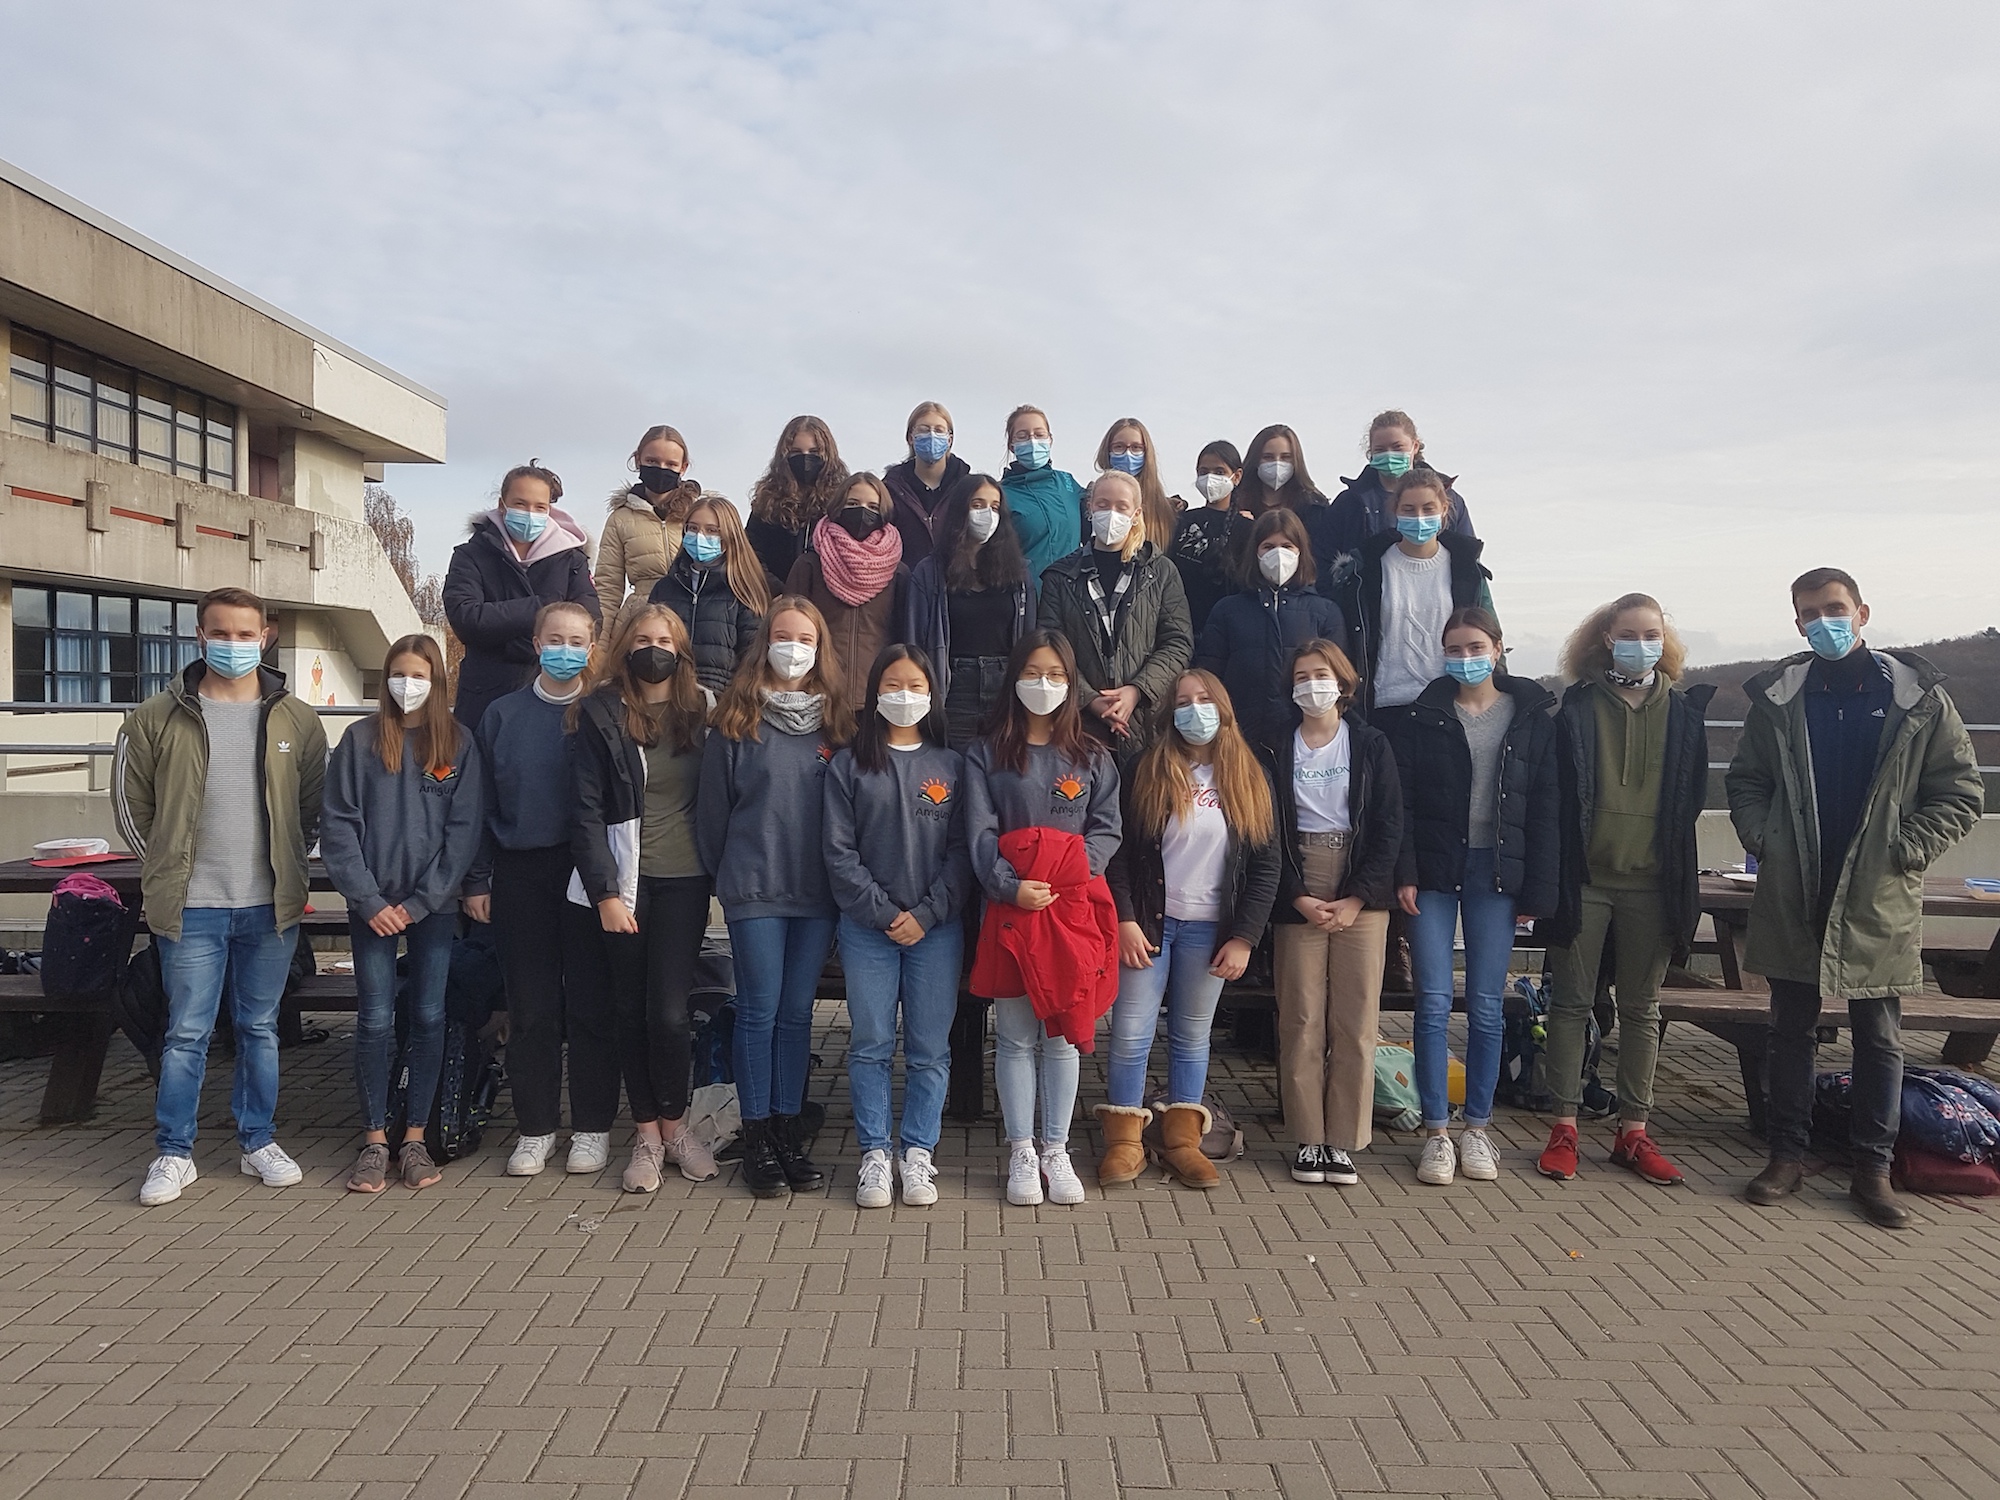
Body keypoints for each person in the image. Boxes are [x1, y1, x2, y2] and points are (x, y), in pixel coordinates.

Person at [1729, 568, 1982, 1229]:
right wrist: (1765, 838)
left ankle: (1873, 1168)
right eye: (1810, 613)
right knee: (1789, 1030)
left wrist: (1907, 848)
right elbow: (1747, 780)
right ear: (1797, 622)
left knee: (1879, 1035)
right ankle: (1786, 1155)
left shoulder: (1917, 699)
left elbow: (1960, 791)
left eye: (1834, 609)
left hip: (1876, 891)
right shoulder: (1781, 698)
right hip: (1798, 885)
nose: (1824, 622)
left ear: (1862, 612)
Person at [117, 587, 328, 1207]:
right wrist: (166, 872)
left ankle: (257, 1140)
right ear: (200, 636)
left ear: (264, 637)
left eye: (244, 634)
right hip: (191, 906)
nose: (232, 644)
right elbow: (132, 810)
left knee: (260, 1028)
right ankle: (173, 1153)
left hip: (269, 907)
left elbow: (312, 809)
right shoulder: (154, 717)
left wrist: (290, 866)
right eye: (220, 633)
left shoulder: (297, 719)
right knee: (187, 1032)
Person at [1536, 594, 1716, 1188]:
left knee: (1643, 1009)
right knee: (1571, 1004)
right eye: (1629, 634)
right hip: (1585, 882)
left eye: (1651, 633)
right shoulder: (1575, 709)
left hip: (1655, 885)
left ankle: (1633, 1132)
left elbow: (1691, 798)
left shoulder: (1686, 714)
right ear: (1606, 639)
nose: (1642, 644)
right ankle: (1564, 1127)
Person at [1387, 609, 1559, 1187]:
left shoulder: (1530, 717)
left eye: (1476, 647)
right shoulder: (1422, 716)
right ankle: (1437, 1132)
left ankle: (1478, 1128)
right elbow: (1404, 802)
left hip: (1498, 873)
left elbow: (1546, 807)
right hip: (1436, 870)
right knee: (1433, 1002)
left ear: (1499, 648)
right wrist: (1405, 872)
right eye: (1455, 649)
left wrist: (1536, 888)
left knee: (1487, 1005)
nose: (1466, 658)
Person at [698, 596, 856, 1198]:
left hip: (817, 894)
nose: (794, 649)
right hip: (754, 889)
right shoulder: (736, 722)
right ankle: (757, 1136)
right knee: (758, 1012)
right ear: (764, 643)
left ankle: (789, 1131)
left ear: (820, 649)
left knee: (796, 1015)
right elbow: (712, 816)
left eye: (805, 639)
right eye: (783, 636)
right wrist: (730, 880)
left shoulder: (837, 727)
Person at [321, 633, 485, 1193]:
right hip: (372, 909)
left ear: (437, 681)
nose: (407, 684)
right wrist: (369, 901)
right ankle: (374, 1140)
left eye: (419, 675)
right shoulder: (359, 740)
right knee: (373, 1019)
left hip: (430, 907)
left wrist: (420, 902)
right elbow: (338, 825)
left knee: (429, 1016)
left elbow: (463, 831)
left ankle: (414, 1137)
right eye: (398, 673)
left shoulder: (458, 744)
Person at [1102, 671, 1279, 1189]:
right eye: (1183, 701)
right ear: (1169, 713)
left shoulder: (1249, 774)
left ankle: (1182, 1142)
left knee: (1192, 1035)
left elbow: (1265, 865)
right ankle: (1124, 1142)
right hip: (1149, 925)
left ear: (1224, 709)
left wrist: (1244, 937)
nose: (1194, 710)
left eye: (1204, 700)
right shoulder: (1145, 767)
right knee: (1131, 1033)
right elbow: (1118, 852)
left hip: (1210, 930)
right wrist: (1124, 918)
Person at [964, 630, 1121, 1207]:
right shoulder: (986, 753)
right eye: (1033, 672)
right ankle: (1021, 1150)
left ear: (1072, 683)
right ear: (1014, 678)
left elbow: (1106, 830)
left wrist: (1065, 877)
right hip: (1012, 910)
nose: (1044, 684)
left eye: (1056, 674)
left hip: (1071, 912)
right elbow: (980, 833)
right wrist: (1010, 886)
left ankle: (1057, 1147)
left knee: (1062, 1035)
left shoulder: (1093, 756)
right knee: (1013, 1037)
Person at [568, 605, 721, 1194]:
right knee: (628, 1010)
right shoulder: (601, 711)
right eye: (642, 639)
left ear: (681, 650)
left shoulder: (705, 710)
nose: (653, 649)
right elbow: (584, 809)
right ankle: (647, 1135)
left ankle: (677, 1128)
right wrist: (606, 893)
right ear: (625, 647)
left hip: (686, 879)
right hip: (623, 884)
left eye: (664, 639)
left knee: (670, 1013)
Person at [465, 600, 621, 1178]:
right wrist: (477, 877)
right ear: (536, 644)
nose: (565, 650)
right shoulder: (502, 715)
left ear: (592, 647)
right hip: (520, 873)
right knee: (531, 1008)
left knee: (591, 1004)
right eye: (555, 639)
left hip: (588, 873)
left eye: (577, 641)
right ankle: (535, 1129)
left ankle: (592, 1127)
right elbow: (480, 804)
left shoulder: (605, 711)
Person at [824, 644, 975, 1209]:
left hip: (936, 931)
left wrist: (928, 914)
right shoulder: (848, 766)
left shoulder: (952, 766)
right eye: (893, 685)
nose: (904, 696)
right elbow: (839, 854)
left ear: (932, 694)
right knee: (870, 1043)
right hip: (868, 930)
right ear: (874, 693)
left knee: (929, 1049)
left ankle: (917, 1153)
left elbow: (963, 853)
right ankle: (874, 1153)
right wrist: (886, 914)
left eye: (915, 686)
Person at [1265, 639, 1403, 1187]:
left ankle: (1343, 1140)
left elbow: (1389, 825)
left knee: (1355, 1019)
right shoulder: (1274, 745)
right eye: (1301, 676)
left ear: (1343, 683)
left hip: (1358, 883)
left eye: (1321, 675)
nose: (1311, 685)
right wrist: (1296, 896)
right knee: (1300, 1017)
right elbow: (1266, 830)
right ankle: (1308, 1138)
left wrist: (1358, 897)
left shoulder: (1370, 743)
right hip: (1299, 875)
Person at [1034, 470, 1194, 760]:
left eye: (1122, 507)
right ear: (1090, 508)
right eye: (1103, 504)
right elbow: (1050, 648)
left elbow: (1178, 642)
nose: (1111, 513)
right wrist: (1090, 699)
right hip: (1079, 725)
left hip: (1147, 724)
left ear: (1136, 514)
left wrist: (1137, 690)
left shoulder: (1160, 571)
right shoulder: (1060, 576)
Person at [444, 460, 600, 730]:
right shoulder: (470, 555)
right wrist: (544, 608)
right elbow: (466, 619)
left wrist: (503, 630)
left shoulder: (571, 559)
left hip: (558, 693)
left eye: (539, 507)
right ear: (502, 504)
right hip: (485, 694)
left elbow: (591, 620)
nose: (530, 513)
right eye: (520, 504)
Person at [1338, 465, 1496, 720]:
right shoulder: (1365, 570)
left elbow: (1490, 633)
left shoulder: (1467, 571)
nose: (1419, 517)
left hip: (1449, 707)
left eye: (1428, 509)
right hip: (1385, 707)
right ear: (1395, 510)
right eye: (1409, 509)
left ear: (1444, 509)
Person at [1195, 508, 1347, 753]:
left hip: (1304, 739)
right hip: (1241, 735)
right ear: (1255, 552)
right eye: (1268, 546)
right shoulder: (1227, 611)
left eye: (1287, 546)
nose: (1278, 553)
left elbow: (1338, 679)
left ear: (1301, 552)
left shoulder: (1326, 612)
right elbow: (1208, 676)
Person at [902, 472, 1036, 748]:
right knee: (952, 764)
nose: (987, 514)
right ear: (960, 510)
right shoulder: (930, 572)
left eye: (994, 507)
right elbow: (913, 640)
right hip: (953, 686)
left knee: (1002, 765)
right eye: (978, 505)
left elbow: (1029, 636)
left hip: (1005, 686)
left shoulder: (1019, 573)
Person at [785, 472, 909, 711]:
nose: (862, 512)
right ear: (838, 507)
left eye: (873, 507)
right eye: (852, 504)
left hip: (877, 700)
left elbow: (903, 637)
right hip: (818, 696)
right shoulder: (810, 565)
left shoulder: (898, 573)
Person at [647, 493, 768, 699]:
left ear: (729, 537)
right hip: (668, 697)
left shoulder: (743, 591)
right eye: (693, 528)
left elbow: (752, 657)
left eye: (712, 531)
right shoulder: (665, 587)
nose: (700, 536)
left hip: (721, 701)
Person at [594, 424, 704, 637]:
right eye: (652, 461)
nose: (661, 469)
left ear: (683, 467)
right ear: (638, 460)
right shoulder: (620, 519)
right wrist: (601, 647)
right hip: (638, 625)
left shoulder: (701, 514)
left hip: (693, 620)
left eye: (671, 464)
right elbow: (607, 589)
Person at [1325, 410, 1476, 558]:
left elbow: (1468, 557)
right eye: (1380, 450)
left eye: (1397, 447)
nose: (1389, 454)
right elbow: (1324, 556)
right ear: (1371, 453)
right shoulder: (1349, 503)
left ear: (1415, 447)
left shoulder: (1449, 499)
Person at [746, 415, 848, 588]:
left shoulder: (842, 501)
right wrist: (778, 592)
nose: (805, 459)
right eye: (796, 452)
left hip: (825, 598)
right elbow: (751, 555)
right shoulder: (767, 501)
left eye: (814, 452)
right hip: (775, 598)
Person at [1233, 424, 1341, 588]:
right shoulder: (1234, 503)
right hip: (1246, 591)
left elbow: (1320, 561)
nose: (1277, 464)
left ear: (1296, 461)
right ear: (1256, 460)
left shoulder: (1314, 508)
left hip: (1301, 593)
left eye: (1285, 457)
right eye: (1268, 457)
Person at [999, 404, 1086, 585]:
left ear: (1050, 440)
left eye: (1039, 434)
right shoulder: (1000, 495)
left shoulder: (1068, 482)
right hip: (1029, 595)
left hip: (1072, 595)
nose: (1032, 441)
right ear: (1012, 446)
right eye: (1022, 436)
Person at [1168, 440, 1249, 636]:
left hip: (1230, 632)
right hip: (1182, 629)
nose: (1210, 478)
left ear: (1237, 476)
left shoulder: (1249, 529)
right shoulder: (1182, 521)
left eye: (1219, 472)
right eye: (1203, 472)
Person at [882, 401, 970, 570]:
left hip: (955, 582)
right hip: (905, 581)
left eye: (939, 430)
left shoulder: (968, 488)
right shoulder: (890, 489)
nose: (932, 435)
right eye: (923, 430)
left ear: (949, 439)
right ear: (910, 438)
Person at [1093, 416, 1179, 574]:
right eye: (1119, 447)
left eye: (1136, 447)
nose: (1127, 454)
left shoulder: (1167, 511)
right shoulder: (1091, 504)